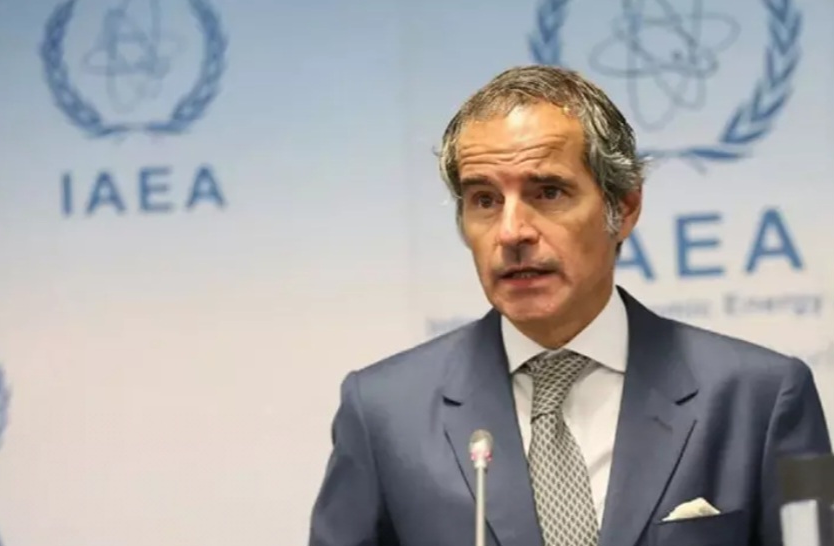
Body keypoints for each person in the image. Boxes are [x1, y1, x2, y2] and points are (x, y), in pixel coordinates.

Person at [307, 65, 832, 546]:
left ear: (623, 208)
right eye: (484, 199)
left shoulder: (763, 396)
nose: (511, 232)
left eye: (548, 192)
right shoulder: (382, 412)